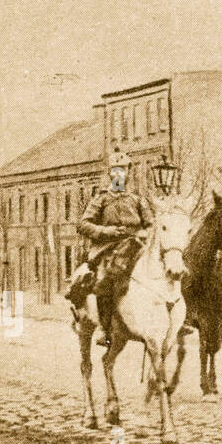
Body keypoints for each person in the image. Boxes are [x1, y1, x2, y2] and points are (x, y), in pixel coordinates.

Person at [67, 149, 156, 347]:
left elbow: (151, 224)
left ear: (128, 173)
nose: (119, 175)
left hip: (135, 247)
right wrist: (108, 231)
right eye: (115, 171)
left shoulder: (137, 199)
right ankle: (105, 329)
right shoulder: (101, 199)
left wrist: (143, 233)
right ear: (110, 174)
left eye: (123, 170)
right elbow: (83, 224)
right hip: (107, 250)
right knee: (105, 282)